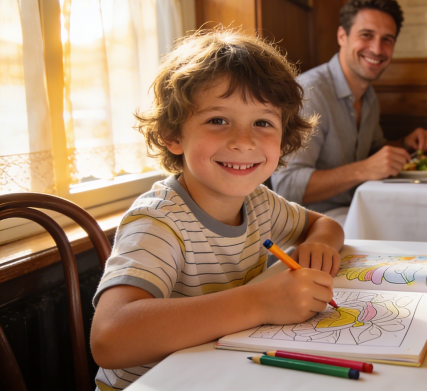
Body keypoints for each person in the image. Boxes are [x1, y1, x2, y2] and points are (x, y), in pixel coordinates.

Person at [89, 29, 344, 389]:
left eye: (263, 122)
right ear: (173, 135)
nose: (243, 141)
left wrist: (320, 245)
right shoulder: (158, 222)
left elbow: (324, 224)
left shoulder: (259, 202)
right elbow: (110, 338)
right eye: (217, 120)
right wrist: (261, 303)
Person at [271, 0, 427, 224]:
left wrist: (405, 143)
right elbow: (287, 185)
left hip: (359, 210)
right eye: (366, 35)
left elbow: (373, 152)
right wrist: (363, 170)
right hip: (310, 224)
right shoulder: (310, 92)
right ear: (342, 36)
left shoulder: (368, 96)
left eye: (387, 39)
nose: (377, 49)